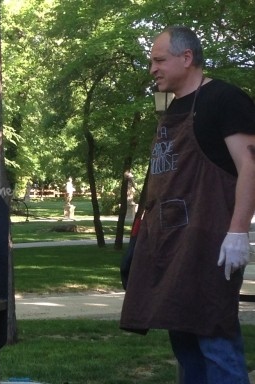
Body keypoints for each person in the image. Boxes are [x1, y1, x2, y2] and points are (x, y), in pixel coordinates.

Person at [120, 25, 255, 383]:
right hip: (168, 243)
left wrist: (238, 231)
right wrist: (139, 241)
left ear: (187, 57)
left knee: (214, 338)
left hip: (209, 243)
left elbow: (250, 167)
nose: (152, 68)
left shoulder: (226, 100)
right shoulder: (170, 108)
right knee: (183, 340)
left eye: (159, 60)